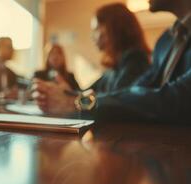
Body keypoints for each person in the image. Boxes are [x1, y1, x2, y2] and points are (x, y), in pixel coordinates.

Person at [33, 0, 191, 124]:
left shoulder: (135, 60)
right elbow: (135, 91)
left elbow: (177, 99)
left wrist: (75, 102)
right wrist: (68, 95)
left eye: (96, 28)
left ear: (113, 28)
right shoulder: (166, 40)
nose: (92, 36)